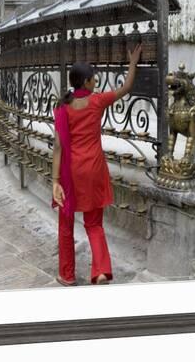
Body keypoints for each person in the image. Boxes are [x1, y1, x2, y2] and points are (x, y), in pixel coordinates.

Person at [52, 43, 142, 287]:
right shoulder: (97, 101)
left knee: (66, 226)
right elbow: (127, 88)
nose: (96, 82)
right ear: (88, 82)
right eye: (94, 79)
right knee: (94, 224)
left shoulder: (61, 107)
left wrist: (55, 181)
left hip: (70, 174)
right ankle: (101, 271)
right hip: (93, 169)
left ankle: (67, 275)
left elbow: (58, 147)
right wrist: (133, 62)